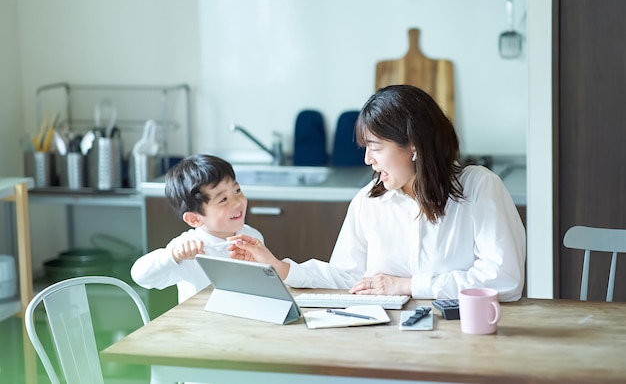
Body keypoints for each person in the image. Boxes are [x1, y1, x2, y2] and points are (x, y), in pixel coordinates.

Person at [228, 84, 526, 302]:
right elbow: (348, 275)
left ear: (413, 145)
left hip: (463, 336)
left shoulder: (479, 187)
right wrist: (280, 268)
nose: (368, 160)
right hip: (388, 339)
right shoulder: (368, 201)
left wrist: (408, 285)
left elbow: (504, 280)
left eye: (376, 147)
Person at [131, 154, 263, 303]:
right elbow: (140, 276)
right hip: (200, 323)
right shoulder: (186, 249)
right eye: (223, 199)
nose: (237, 203)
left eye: (237, 190)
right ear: (194, 219)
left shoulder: (251, 235)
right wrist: (173, 255)